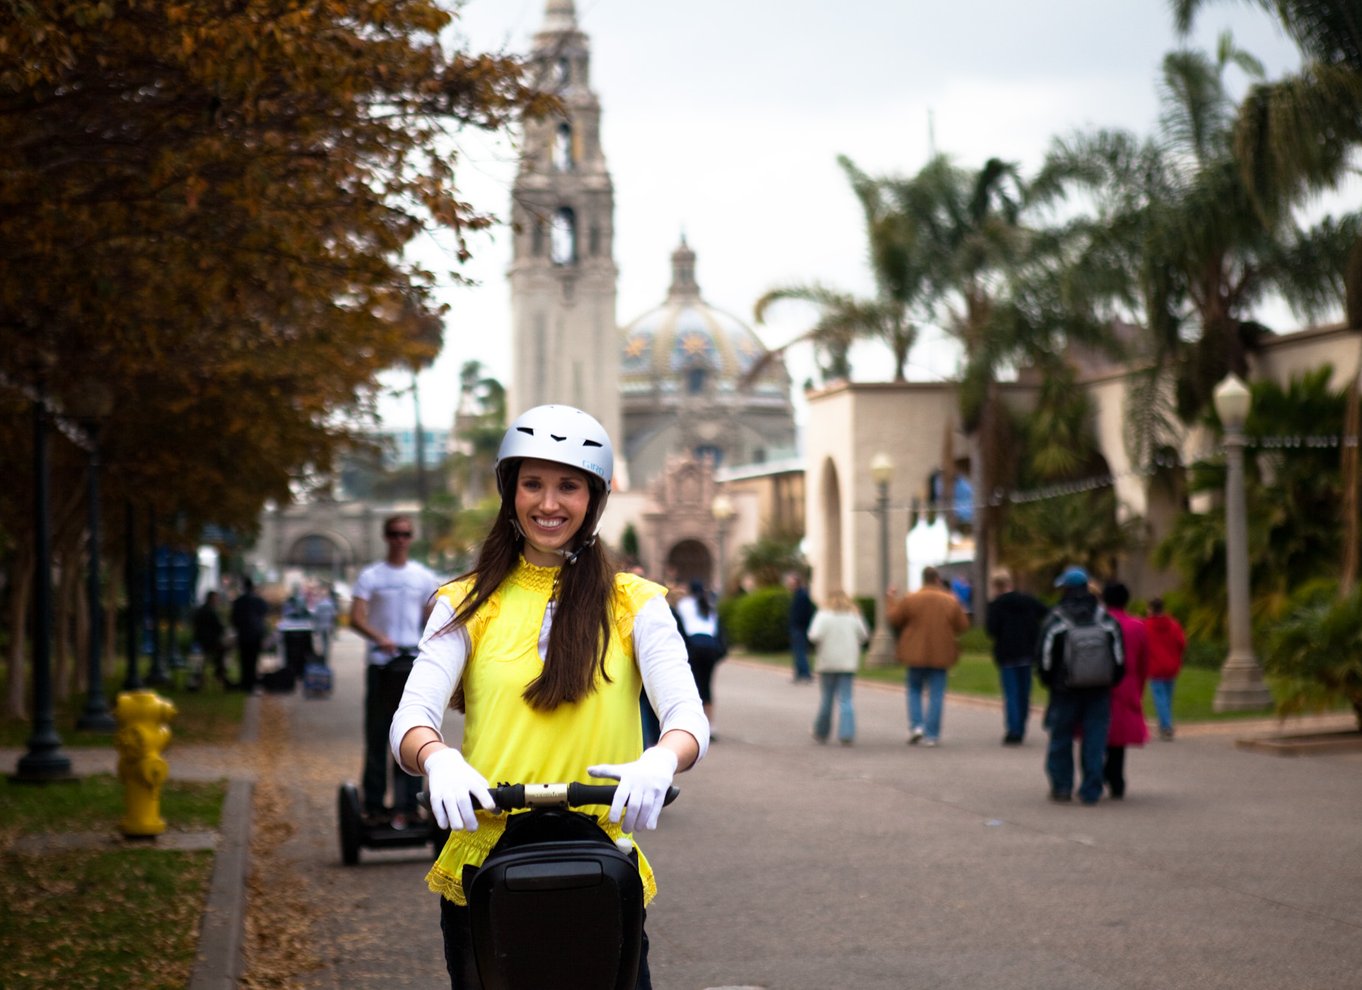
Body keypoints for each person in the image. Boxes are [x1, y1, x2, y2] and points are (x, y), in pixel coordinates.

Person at [389, 404, 708, 990]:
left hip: (599, 862)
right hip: (487, 858)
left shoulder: (637, 602)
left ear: (596, 496)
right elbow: (412, 716)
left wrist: (664, 756)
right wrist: (436, 758)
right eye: (532, 483)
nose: (549, 503)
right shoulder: (464, 603)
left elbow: (687, 715)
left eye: (569, 486)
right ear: (510, 490)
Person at [350, 514, 442, 829]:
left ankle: (409, 805)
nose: (400, 539)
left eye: (405, 534)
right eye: (394, 534)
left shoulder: (423, 577)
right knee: (377, 735)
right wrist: (380, 638)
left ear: (411, 537)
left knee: (410, 733)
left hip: (411, 663)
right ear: (386, 536)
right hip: (380, 663)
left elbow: (433, 618)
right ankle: (374, 806)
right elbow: (356, 617)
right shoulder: (371, 576)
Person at [1036, 566, 1125, 805]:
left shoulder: (1057, 619)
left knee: (1061, 738)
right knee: (1095, 740)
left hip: (1064, 690)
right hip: (1098, 689)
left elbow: (1044, 657)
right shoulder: (1104, 617)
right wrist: (1110, 680)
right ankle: (1091, 789)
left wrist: (1050, 682)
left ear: (1065, 589)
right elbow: (1119, 658)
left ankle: (1062, 786)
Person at [886, 566, 969, 747]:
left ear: (922, 580)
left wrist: (891, 598)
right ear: (937, 580)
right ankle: (932, 735)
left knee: (914, 690)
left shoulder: (911, 599)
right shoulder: (949, 600)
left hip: (915, 652)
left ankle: (917, 726)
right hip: (941, 653)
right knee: (936, 694)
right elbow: (962, 625)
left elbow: (894, 619)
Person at [985, 567, 1048, 745]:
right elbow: (1046, 612)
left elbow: (991, 630)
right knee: (1024, 691)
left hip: (1007, 654)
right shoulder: (1027, 600)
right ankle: (1022, 724)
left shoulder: (996, 605)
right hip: (1027, 651)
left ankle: (1014, 729)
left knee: (1011, 692)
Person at [1100, 581, 1148, 799]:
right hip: (1127, 684)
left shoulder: (1098, 623)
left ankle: (1099, 773)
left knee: (1097, 731)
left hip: (1099, 682)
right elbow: (1143, 662)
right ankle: (1116, 778)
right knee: (1119, 737)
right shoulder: (1137, 626)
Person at [807, 589, 868, 745]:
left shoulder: (823, 615)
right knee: (846, 699)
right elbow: (864, 635)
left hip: (827, 662)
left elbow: (814, 635)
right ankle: (846, 732)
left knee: (827, 698)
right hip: (847, 662)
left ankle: (821, 731)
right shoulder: (854, 615)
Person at [675, 579, 726, 740]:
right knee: (707, 687)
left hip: (694, 645)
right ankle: (711, 726)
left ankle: (696, 727)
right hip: (710, 646)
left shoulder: (684, 604)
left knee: (694, 687)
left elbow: (679, 624)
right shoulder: (709, 605)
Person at [1144, 596, 1187, 740]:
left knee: (1159, 698)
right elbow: (1181, 643)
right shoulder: (1174, 624)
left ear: (1151, 609)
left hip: (1155, 666)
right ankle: (1165, 724)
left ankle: (1166, 726)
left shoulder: (1146, 625)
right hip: (1171, 666)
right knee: (1167, 697)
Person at [229, 577, 268, 694]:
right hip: (256, 634)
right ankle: (251, 684)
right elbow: (264, 613)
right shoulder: (259, 601)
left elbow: (234, 618)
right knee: (253, 660)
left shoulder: (239, 601)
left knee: (244, 660)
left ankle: (245, 683)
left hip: (243, 634)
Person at [192, 589, 230, 688]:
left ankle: (218, 672)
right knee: (223, 649)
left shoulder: (201, 610)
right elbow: (220, 627)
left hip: (201, 641)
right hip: (209, 642)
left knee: (220, 651)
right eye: (216, 599)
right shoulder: (210, 611)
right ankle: (220, 673)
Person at [786, 571, 814, 683]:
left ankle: (805, 674)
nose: (789, 584)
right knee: (797, 651)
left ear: (796, 582)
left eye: (791, 582)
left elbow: (804, 613)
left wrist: (799, 624)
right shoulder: (798, 594)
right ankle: (799, 673)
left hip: (800, 627)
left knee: (800, 651)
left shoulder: (802, 595)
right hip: (796, 627)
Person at [311, 585, 338, 664]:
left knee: (321, 642)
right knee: (327, 642)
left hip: (320, 625)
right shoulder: (330, 603)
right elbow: (333, 615)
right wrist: (333, 625)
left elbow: (315, 615)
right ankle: (327, 656)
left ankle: (323, 656)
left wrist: (315, 626)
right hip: (328, 626)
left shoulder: (318, 604)